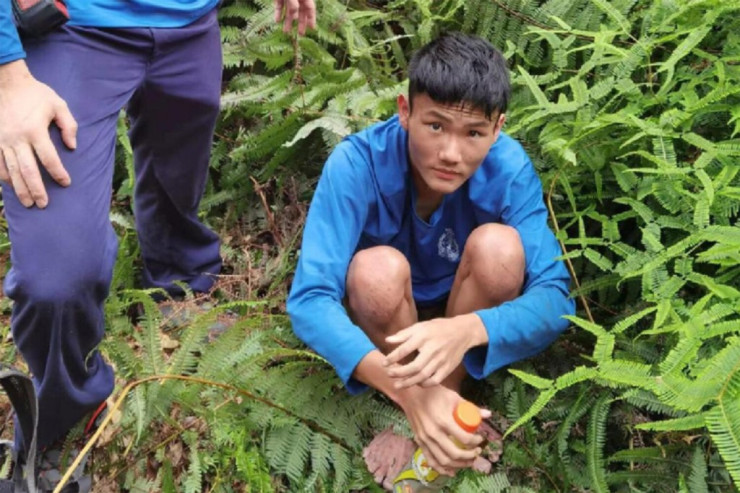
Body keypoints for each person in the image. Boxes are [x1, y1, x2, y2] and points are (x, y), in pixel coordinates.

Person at [0, 0, 315, 490]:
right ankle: (62, 411)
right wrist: (7, 76)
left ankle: (177, 284)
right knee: (56, 279)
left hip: (191, 22)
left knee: (177, 170)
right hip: (70, 27)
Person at [287, 32, 575, 489]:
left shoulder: (511, 168)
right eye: (435, 126)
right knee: (375, 271)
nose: (450, 153)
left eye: (474, 133)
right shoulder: (356, 163)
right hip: (387, 311)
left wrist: (467, 329)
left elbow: (554, 298)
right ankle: (421, 408)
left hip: (466, 301)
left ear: (497, 128)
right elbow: (310, 299)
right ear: (405, 111)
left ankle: (449, 394)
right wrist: (409, 392)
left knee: (501, 248)